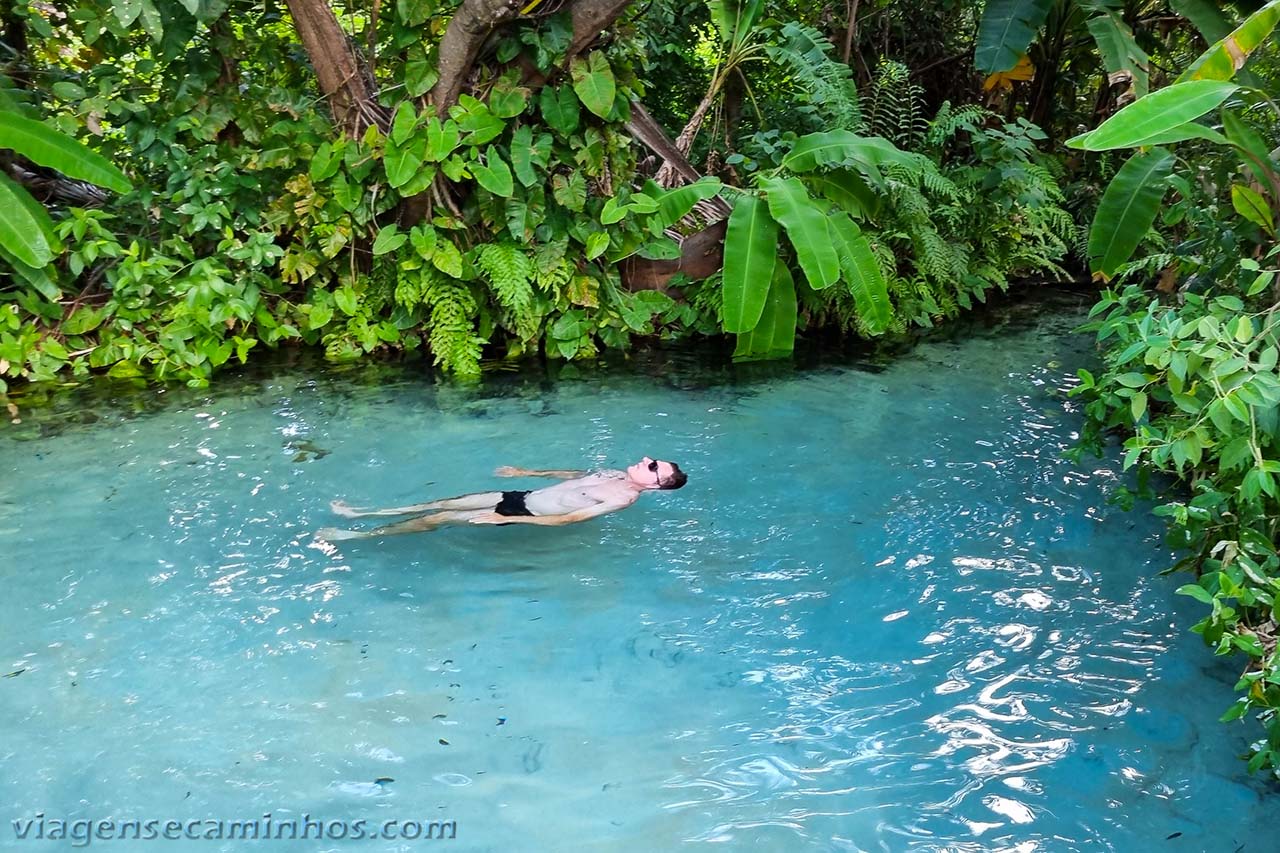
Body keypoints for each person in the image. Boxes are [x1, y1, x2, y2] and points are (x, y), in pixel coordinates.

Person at [315, 457, 687, 541]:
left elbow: (566, 520)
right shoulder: (612, 473)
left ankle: (361, 537)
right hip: (519, 494)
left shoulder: (622, 499)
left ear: (655, 485)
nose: (645, 460)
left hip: (520, 511)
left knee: (437, 520)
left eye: (652, 466)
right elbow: (572, 476)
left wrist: (506, 520)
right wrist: (527, 472)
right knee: (441, 502)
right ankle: (363, 512)